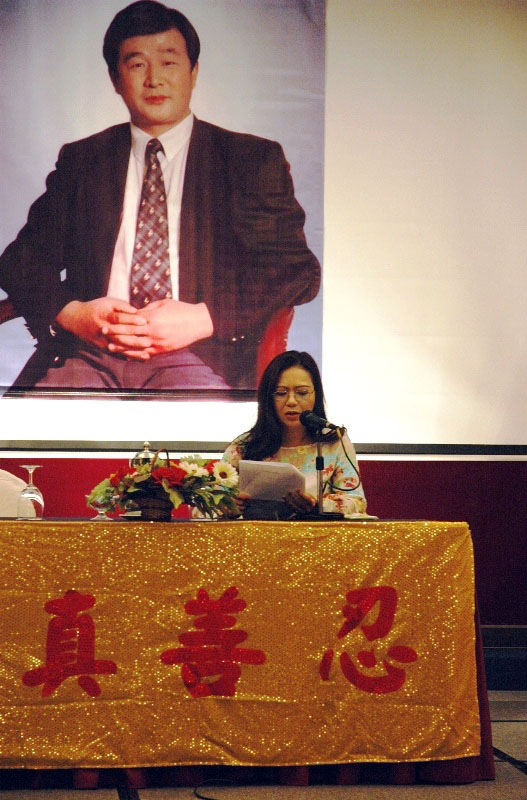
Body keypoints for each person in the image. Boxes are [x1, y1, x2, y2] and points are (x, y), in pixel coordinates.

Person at [0, 1, 320, 394]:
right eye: (137, 65)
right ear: (115, 79)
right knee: (38, 427)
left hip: (201, 355)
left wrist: (205, 317)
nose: (154, 79)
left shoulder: (248, 160)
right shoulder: (84, 160)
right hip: (89, 355)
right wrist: (74, 313)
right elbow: (21, 262)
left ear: (193, 72)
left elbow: (295, 270)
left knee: (203, 431)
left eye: (168, 62)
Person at [222, 351, 367, 517]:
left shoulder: (334, 441)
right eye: (281, 393)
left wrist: (317, 504)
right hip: (257, 532)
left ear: (316, 395)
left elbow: (357, 502)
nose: (291, 401)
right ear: (268, 398)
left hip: (317, 533)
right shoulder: (244, 446)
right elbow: (207, 503)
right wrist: (228, 505)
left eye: (302, 393)